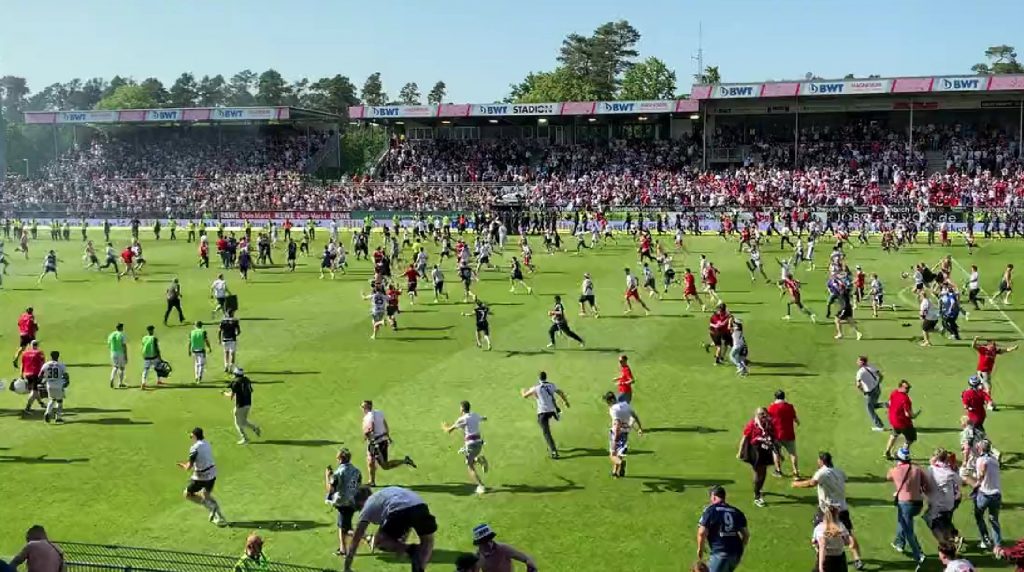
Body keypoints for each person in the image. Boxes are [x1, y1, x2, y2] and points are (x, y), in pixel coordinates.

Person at [792, 452, 864, 570]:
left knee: (819, 530)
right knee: (848, 533)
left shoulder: (822, 472)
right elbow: (843, 479)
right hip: (842, 507)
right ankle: (857, 559)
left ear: (821, 461)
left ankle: (821, 553)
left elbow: (811, 483)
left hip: (828, 509)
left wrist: (796, 484)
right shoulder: (839, 471)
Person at [344, 486, 437, 572]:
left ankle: (412, 550)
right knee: (427, 541)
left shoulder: (367, 506)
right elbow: (408, 516)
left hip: (399, 509)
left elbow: (356, 538)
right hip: (420, 505)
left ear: (360, 502)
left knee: (378, 542)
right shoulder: (383, 495)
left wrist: (347, 566)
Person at [886, 447, 929, 567]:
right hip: (918, 503)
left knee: (908, 529)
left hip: (905, 503)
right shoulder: (917, 469)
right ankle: (899, 543)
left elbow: (888, 476)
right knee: (902, 520)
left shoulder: (895, 470)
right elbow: (926, 484)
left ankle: (919, 554)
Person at [177, 427, 226, 526]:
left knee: (187, 494)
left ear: (195, 436)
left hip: (201, 476)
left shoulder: (194, 448)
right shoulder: (207, 443)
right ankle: (220, 517)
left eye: (191, 435)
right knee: (206, 495)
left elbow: (188, 467)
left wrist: (183, 466)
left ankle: (210, 507)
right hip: (212, 473)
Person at [361, 400, 416, 487]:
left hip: (378, 442)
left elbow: (370, 427)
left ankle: (405, 461)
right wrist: (387, 435)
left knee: (385, 466)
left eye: (363, 407)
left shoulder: (368, 417)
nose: (362, 409)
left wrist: (368, 436)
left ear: (367, 407)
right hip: (378, 441)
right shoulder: (379, 413)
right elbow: (385, 424)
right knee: (370, 461)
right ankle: (372, 481)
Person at [696, 485, 749, 572]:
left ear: (713, 496)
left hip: (720, 554)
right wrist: (739, 550)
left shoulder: (710, 510)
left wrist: (700, 550)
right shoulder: (736, 511)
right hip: (735, 555)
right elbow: (746, 535)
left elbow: (702, 533)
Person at [443, 401, 489, 494]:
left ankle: (481, 486)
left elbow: (449, 430)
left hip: (470, 444)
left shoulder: (462, 419)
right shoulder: (474, 415)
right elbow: (484, 418)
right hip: (479, 443)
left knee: (470, 466)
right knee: (470, 460)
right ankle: (480, 459)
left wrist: (445, 427)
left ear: (462, 409)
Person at [966, 440, 1003, 556]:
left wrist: (976, 483)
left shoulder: (981, 460)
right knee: (994, 520)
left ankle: (985, 539)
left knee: (979, 515)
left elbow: (982, 470)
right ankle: (997, 546)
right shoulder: (994, 460)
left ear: (981, 449)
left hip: (985, 494)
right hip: (996, 495)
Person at [521, 371, 570, 459]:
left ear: (538, 378)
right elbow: (560, 392)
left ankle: (554, 451)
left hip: (542, 413)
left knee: (546, 433)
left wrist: (522, 391)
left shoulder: (535, 388)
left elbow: (525, 396)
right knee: (552, 417)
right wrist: (565, 402)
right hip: (552, 411)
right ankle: (557, 415)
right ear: (546, 377)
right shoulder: (551, 385)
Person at [326, 448, 362, 557]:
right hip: (353, 500)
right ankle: (342, 548)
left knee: (343, 527)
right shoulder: (356, 471)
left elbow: (331, 489)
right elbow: (359, 484)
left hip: (343, 502)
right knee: (344, 525)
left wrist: (327, 476)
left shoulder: (338, 473)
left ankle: (366, 538)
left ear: (340, 459)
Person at [925, 449, 963, 547]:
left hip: (941, 502)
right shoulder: (951, 470)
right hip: (954, 499)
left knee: (934, 520)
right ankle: (954, 536)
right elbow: (961, 482)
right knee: (945, 519)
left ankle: (949, 541)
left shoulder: (932, 469)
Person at [738, 407, 775, 507]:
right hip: (755, 451)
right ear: (757, 415)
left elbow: (772, 435)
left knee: (763, 472)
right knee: (759, 473)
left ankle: (758, 488)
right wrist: (740, 451)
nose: (764, 416)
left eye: (765, 414)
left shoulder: (768, 423)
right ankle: (757, 496)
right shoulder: (752, 424)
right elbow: (744, 437)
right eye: (761, 414)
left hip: (765, 450)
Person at [972, 337, 1018, 411]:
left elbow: (1005, 350)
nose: (994, 345)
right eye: (992, 344)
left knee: (982, 387)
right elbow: (973, 346)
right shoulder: (983, 349)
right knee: (988, 387)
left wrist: (1013, 348)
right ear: (988, 344)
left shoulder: (994, 351)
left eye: (994, 344)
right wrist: (975, 339)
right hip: (983, 371)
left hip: (987, 372)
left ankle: (979, 400)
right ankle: (989, 404)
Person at [471, 524, 538, 572]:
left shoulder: (504, 549)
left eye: (490, 540)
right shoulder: (477, 557)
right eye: (484, 543)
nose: (488, 544)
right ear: (479, 544)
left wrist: (531, 566)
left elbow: (527, 558)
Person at [605, 391, 643, 478]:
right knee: (620, 453)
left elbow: (617, 423)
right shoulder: (625, 405)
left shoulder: (613, 409)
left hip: (617, 433)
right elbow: (634, 417)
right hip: (625, 432)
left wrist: (615, 438)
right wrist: (639, 428)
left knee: (613, 455)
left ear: (610, 401)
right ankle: (615, 472)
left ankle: (621, 463)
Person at [767, 390, 799, 478]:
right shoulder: (789, 406)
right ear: (784, 397)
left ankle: (778, 471)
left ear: (775, 397)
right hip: (789, 434)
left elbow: (768, 420)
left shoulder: (772, 407)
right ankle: (796, 472)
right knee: (793, 453)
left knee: (776, 453)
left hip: (777, 435)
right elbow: (796, 419)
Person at [225, 367, 261, 445]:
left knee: (237, 423)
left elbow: (232, 395)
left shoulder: (235, 382)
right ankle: (255, 428)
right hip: (248, 404)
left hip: (240, 405)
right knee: (244, 421)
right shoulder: (247, 380)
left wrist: (224, 394)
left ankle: (245, 438)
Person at [884, 380, 919, 459]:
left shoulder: (894, 392)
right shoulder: (906, 399)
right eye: (906, 388)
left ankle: (887, 451)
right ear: (901, 387)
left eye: (909, 388)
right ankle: (902, 453)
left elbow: (889, 403)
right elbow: (908, 414)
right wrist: (914, 415)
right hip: (903, 423)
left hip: (893, 420)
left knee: (894, 435)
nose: (908, 390)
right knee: (911, 438)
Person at [813, 506, 853, 572]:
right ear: (837, 514)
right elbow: (847, 542)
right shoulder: (841, 526)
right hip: (840, 559)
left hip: (826, 560)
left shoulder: (820, 528)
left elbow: (822, 546)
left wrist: (820, 567)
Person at [853, 356, 886, 431]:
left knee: (870, 409)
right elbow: (881, 376)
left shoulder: (860, 372)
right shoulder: (872, 366)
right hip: (877, 389)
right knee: (873, 405)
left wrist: (863, 392)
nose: (856, 362)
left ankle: (879, 426)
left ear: (862, 362)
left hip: (869, 392)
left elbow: (858, 385)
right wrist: (877, 383)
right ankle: (888, 404)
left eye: (858, 361)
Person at [40, 351, 69, 424]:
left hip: (49, 385)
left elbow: (40, 375)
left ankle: (47, 412)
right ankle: (58, 418)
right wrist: (67, 382)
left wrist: (43, 380)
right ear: (58, 356)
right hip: (59, 385)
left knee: (52, 399)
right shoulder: (61, 365)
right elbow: (66, 376)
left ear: (51, 356)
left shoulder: (46, 365)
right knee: (60, 401)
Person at [19, 339, 46, 415]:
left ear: (30, 345)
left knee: (35, 389)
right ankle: (27, 407)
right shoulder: (40, 353)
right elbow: (43, 363)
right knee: (34, 391)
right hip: (36, 374)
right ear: (37, 345)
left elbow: (22, 364)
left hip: (27, 374)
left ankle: (41, 403)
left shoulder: (25, 353)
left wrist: (21, 373)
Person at [140, 325, 166, 389]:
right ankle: (159, 380)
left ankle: (143, 382)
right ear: (152, 330)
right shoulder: (154, 338)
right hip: (154, 356)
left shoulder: (144, 338)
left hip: (146, 357)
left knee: (146, 369)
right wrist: (159, 357)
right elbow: (156, 348)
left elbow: (142, 346)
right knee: (158, 367)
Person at [108, 323, 128, 389]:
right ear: (121, 328)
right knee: (122, 368)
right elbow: (124, 345)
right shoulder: (122, 335)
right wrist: (125, 355)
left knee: (115, 366)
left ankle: (112, 379)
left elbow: (109, 344)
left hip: (113, 352)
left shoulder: (111, 335)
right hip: (120, 353)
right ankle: (120, 383)